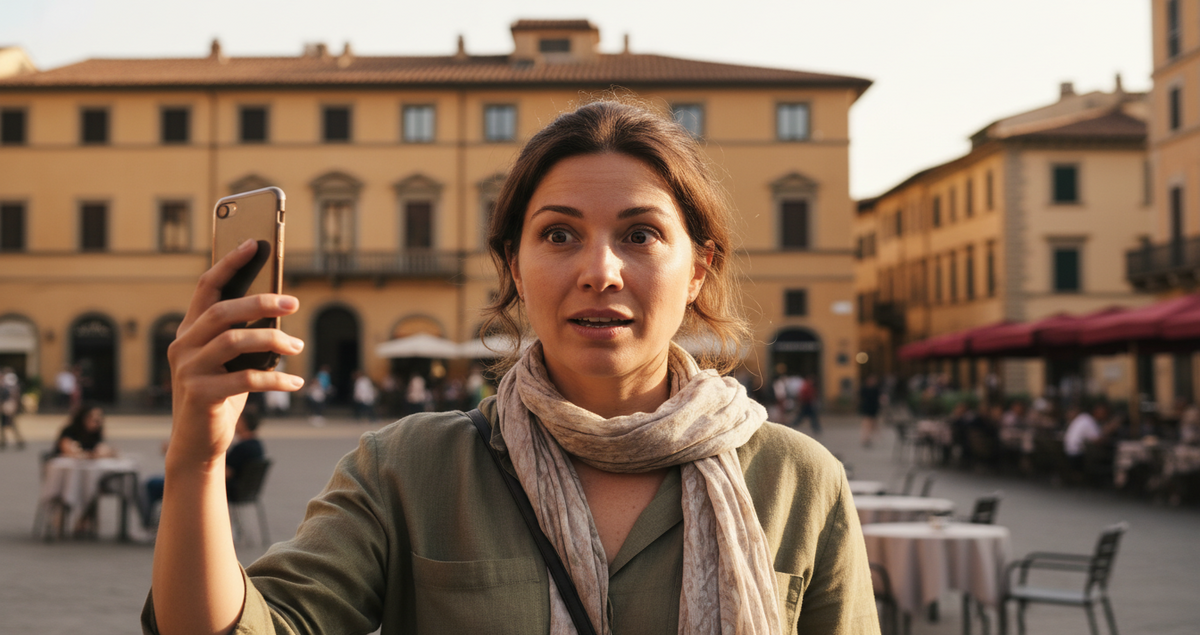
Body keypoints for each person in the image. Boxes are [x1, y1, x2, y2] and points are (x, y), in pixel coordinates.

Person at [145, 100, 878, 634]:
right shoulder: (409, 469)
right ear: (516, 268)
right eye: (559, 233)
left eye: (641, 233)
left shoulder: (799, 481)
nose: (601, 270)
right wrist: (196, 460)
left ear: (697, 267)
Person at [0, 368, 25, 450]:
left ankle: (18, 441)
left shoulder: (8, 386)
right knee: (4, 426)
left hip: (7, 408)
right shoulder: (6, 386)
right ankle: (4, 441)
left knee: (12, 425)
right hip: (6, 408)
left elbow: (11, 397)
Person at [859, 374, 882, 447]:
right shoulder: (865, 389)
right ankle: (866, 439)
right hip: (867, 410)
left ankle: (874, 438)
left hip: (874, 410)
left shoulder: (876, 389)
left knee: (874, 425)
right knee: (866, 425)